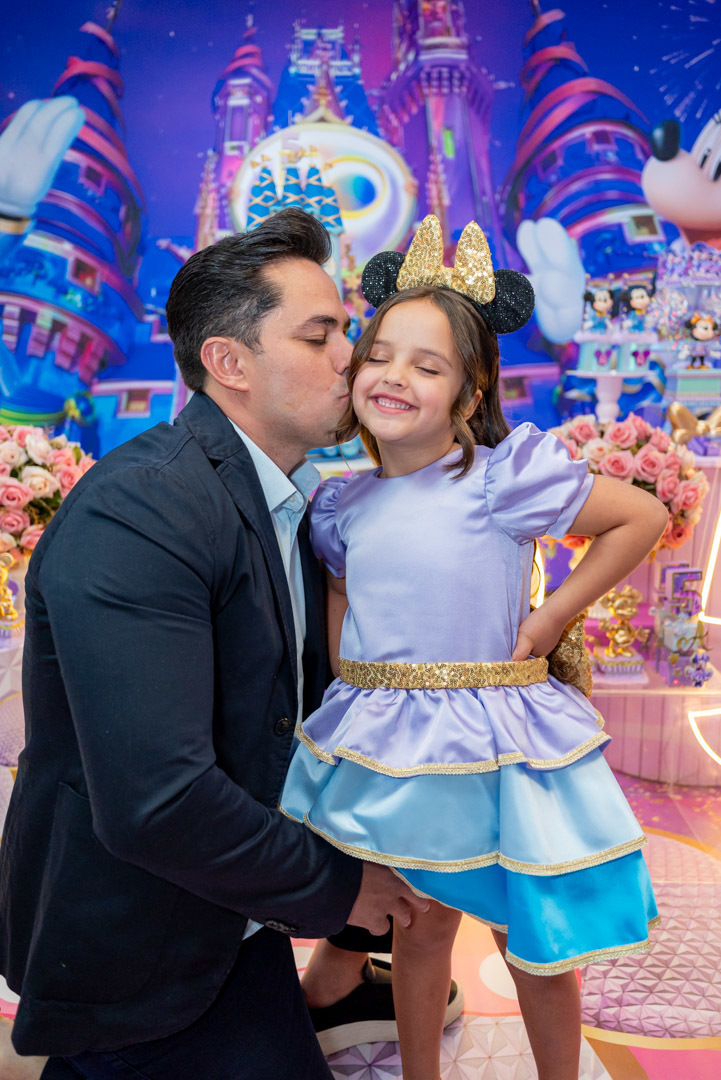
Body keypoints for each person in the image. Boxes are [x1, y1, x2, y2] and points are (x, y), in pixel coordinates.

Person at [0, 207, 432, 1080]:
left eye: (346, 330)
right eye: (319, 336)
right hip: (135, 945)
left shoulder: (277, 500)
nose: (352, 357)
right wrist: (341, 888)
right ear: (229, 363)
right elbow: (158, 801)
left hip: (230, 917)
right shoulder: (143, 510)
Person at [280, 215, 668, 1080]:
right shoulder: (343, 504)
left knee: (532, 944)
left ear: (468, 390)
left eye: (427, 365)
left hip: (494, 743)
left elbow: (639, 517)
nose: (394, 375)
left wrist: (551, 617)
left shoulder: (499, 477)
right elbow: (342, 593)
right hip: (397, 749)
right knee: (417, 928)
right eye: (379, 356)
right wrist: (353, 680)